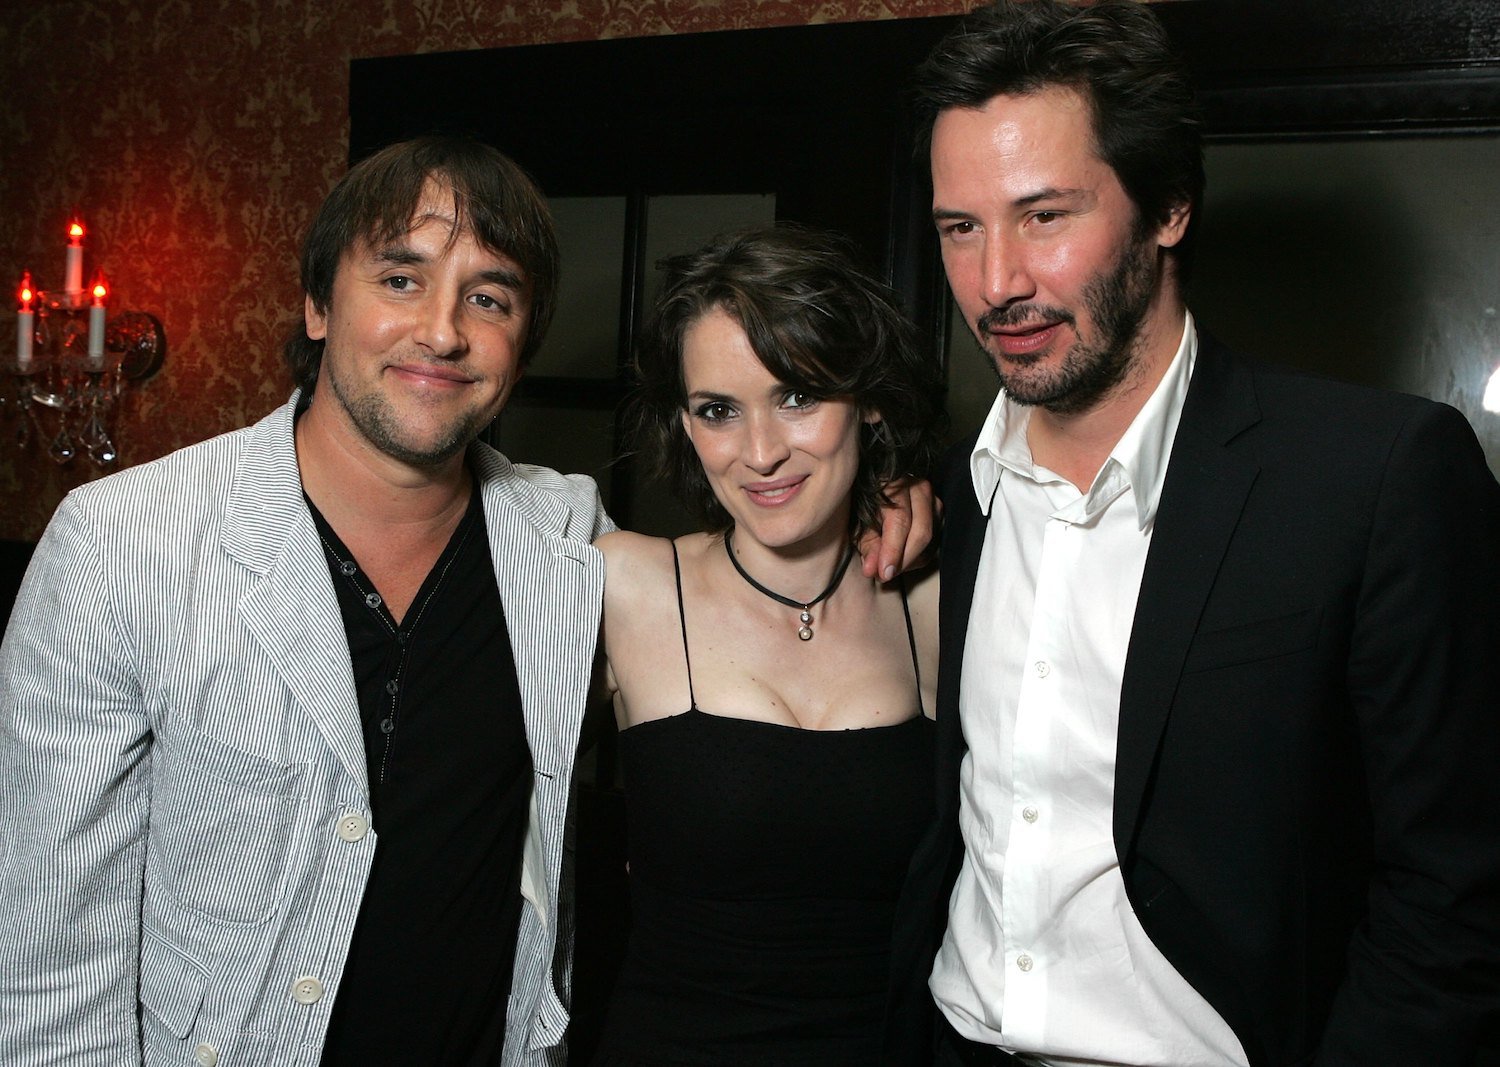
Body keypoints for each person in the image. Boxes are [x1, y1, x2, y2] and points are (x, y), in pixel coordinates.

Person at [0, 138, 928, 1066]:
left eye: (489, 298)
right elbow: (47, 976)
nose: (442, 332)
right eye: (400, 280)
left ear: (522, 343)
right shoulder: (122, 547)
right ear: (318, 303)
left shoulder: (567, 544)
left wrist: (888, 493)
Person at [889, 3, 1500, 1066]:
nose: (996, 283)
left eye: (1044, 216)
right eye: (961, 228)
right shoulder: (955, 493)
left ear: (1168, 205)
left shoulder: (1374, 477)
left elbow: (1456, 892)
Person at [588, 225, 945, 1065]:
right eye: (718, 410)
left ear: (870, 399)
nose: (760, 452)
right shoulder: (626, 583)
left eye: (798, 396)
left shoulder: (939, 598)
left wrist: (941, 493)